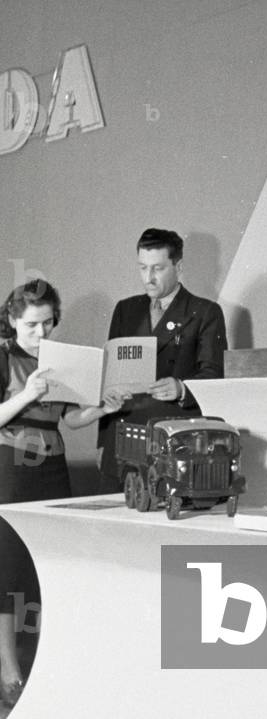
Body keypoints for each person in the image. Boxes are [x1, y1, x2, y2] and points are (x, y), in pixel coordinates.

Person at [0, 280, 127, 706]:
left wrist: (101, 409)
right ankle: (8, 670)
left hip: (51, 466)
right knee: (8, 567)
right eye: (32, 324)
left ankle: (41, 663)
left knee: (45, 563)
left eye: (48, 323)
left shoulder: (62, 359)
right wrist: (26, 394)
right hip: (11, 466)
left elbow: (70, 418)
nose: (41, 333)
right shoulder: (3, 356)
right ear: (13, 320)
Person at [97, 228, 227, 491]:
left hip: (170, 440)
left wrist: (181, 388)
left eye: (157, 268)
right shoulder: (125, 310)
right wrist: (102, 442)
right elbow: (110, 376)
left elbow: (215, 375)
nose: (149, 278)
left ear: (178, 267)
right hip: (123, 439)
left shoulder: (205, 312)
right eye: (143, 268)